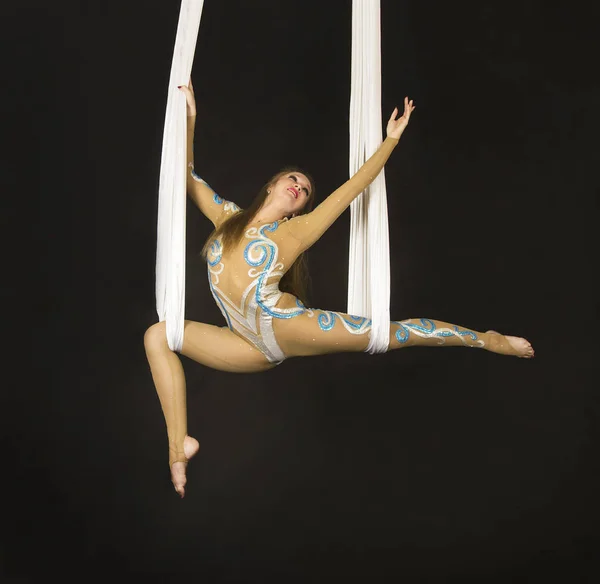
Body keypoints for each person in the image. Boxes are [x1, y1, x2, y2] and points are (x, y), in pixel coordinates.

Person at [144, 78, 534, 498]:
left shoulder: (296, 232)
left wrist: (390, 142)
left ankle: (485, 339)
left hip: (286, 327)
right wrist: (190, 117)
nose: (299, 187)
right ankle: (178, 449)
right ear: (273, 184)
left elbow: (351, 190)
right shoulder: (226, 218)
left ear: (301, 207)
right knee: (157, 336)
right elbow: (184, 175)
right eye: (293, 179)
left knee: (390, 335)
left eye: (305, 191)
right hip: (243, 346)